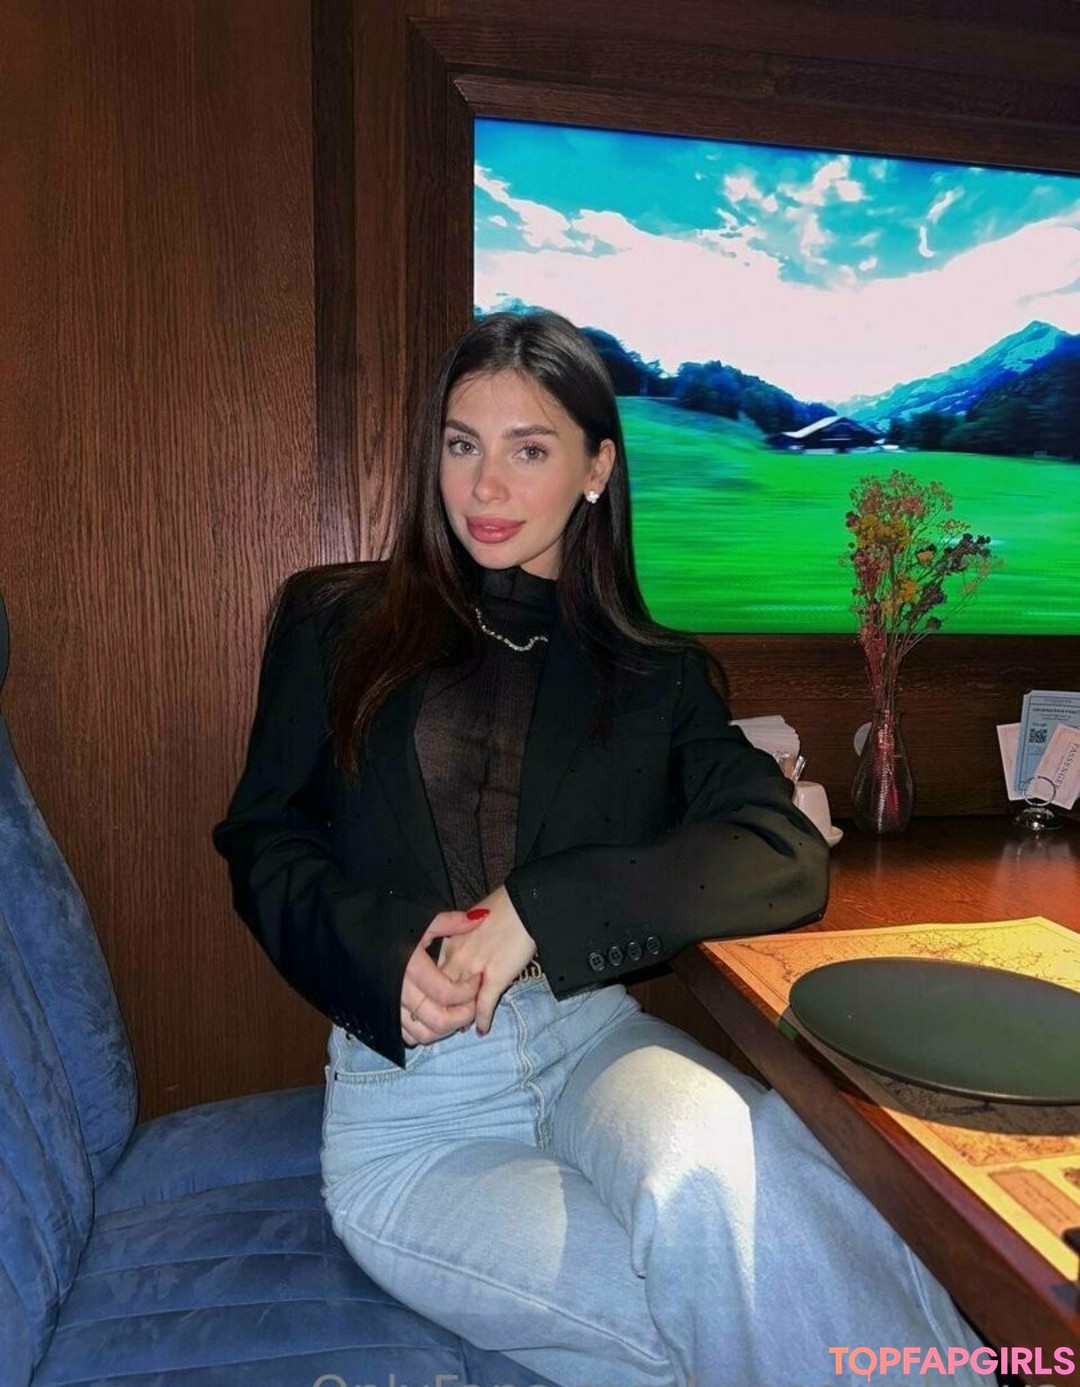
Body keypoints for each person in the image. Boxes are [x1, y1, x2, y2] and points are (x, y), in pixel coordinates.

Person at [214, 311, 983, 1387]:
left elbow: (782, 851)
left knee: (738, 1182)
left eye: (529, 448)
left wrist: (537, 907)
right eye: (462, 443)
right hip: (414, 1114)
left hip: (594, 1042)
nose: (485, 485)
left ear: (596, 469)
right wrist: (377, 952)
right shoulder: (333, 618)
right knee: (735, 1326)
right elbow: (263, 836)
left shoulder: (655, 673)